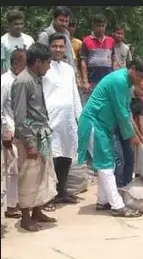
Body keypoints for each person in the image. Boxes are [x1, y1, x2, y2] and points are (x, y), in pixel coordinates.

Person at [77, 59, 143, 217]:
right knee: (105, 165)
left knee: (107, 162)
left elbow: (126, 110)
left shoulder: (127, 83)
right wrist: (131, 136)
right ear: (131, 69)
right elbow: (121, 112)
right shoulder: (119, 81)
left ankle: (103, 201)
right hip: (95, 123)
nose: (140, 79)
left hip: (103, 126)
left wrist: (138, 135)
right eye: (138, 75)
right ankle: (117, 206)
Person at [11, 43, 57, 232]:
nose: (49, 67)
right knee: (29, 176)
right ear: (38, 62)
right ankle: (26, 217)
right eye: (48, 62)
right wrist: (29, 143)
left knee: (42, 174)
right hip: (30, 136)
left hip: (42, 133)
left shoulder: (36, 78)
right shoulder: (23, 81)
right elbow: (20, 116)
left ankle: (37, 211)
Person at [42, 33, 82, 211]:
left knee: (66, 155)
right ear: (49, 47)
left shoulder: (68, 69)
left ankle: (61, 191)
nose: (58, 49)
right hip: (50, 119)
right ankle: (47, 197)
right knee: (51, 158)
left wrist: (80, 117)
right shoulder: (43, 68)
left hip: (67, 120)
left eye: (61, 46)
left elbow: (74, 94)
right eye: (55, 46)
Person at [1, 49, 27, 219]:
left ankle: (18, 201)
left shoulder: (22, 80)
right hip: (9, 131)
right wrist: (5, 129)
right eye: (24, 64)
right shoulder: (5, 81)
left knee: (19, 169)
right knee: (11, 170)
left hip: (21, 131)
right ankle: (11, 206)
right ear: (15, 63)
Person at [115, 78, 143, 187]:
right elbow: (128, 118)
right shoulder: (126, 96)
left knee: (130, 158)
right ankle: (118, 187)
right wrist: (136, 136)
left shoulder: (140, 102)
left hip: (126, 131)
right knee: (119, 159)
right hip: (114, 129)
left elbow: (142, 121)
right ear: (135, 85)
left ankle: (127, 185)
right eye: (142, 89)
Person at [80, 13, 117, 105]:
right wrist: (85, 81)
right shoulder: (86, 40)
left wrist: (114, 78)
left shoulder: (111, 41)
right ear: (93, 26)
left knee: (106, 105)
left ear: (106, 26)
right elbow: (83, 61)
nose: (100, 28)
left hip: (107, 80)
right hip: (92, 80)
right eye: (98, 26)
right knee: (91, 105)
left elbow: (114, 60)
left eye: (102, 26)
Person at [38, 6, 75, 72]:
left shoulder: (66, 34)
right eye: (61, 20)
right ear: (54, 19)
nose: (64, 24)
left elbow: (70, 57)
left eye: (66, 21)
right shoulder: (45, 35)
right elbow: (40, 61)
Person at [1, 10, 34, 74]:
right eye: (16, 24)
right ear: (9, 24)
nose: (19, 26)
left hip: (28, 76)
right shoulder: (3, 41)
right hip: (10, 78)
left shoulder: (29, 39)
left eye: (21, 24)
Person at [67, 21, 83, 89]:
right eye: (69, 26)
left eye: (73, 26)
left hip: (76, 71)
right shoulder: (60, 41)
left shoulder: (79, 42)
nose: (71, 29)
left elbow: (81, 60)